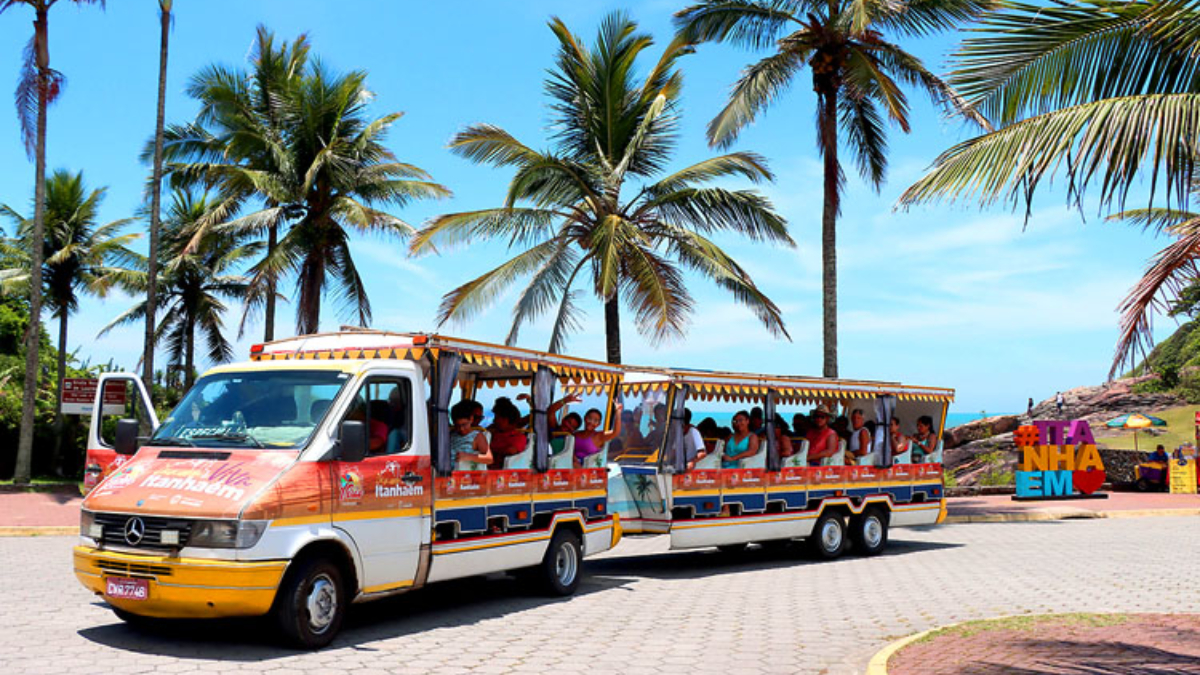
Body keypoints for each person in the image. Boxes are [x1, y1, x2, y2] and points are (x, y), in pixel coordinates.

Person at [487, 397, 527, 470]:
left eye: (497, 418)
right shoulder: (493, 433)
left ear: (506, 419)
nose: (494, 420)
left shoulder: (518, 437)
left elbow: (511, 450)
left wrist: (489, 449)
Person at [449, 400, 492, 468]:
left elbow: (489, 459)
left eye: (464, 425)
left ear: (471, 419)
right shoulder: (452, 434)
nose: (461, 429)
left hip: (464, 472)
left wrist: (469, 457)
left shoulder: (477, 436)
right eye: (457, 425)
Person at [385, 385, 411, 453]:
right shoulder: (389, 411)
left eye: (395, 401)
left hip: (406, 438)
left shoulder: (409, 412)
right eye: (390, 401)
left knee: (394, 434)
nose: (392, 404)